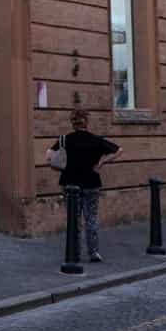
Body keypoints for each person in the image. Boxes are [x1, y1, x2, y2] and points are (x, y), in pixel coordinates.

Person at [51, 109, 120, 262]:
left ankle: (75, 252)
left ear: (72, 122)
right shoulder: (96, 140)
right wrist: (101, 162)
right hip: (92, 183)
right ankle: (93, 252)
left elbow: (49, 155)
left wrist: (62, 164)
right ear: (86, 122)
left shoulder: (64, 140)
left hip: (70, 185)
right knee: (92, 219)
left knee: (74, 220)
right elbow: (118, 150)